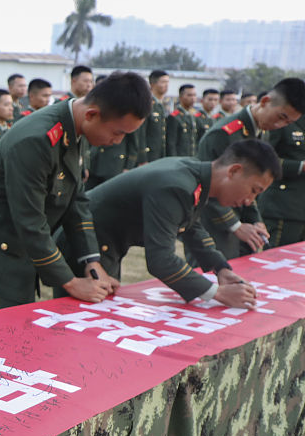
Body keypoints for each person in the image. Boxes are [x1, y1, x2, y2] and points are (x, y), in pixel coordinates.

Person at [0, 71, 150, 314]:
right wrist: (71, 282)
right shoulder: (36, 140)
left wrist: (92, 263)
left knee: (22, 329)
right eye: (118, 133)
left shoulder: (76, 130)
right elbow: (30, 220)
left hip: (24, 249)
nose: (118, 142)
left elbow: (77, 200)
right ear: (92, 114)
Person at [75, 140, 279, 309]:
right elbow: (160, 259)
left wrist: (222, 270)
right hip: (85, 243)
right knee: (80, 322)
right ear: (234, 171)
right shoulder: (177, 185)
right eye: (253, 190)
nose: (249, 200)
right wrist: (217, 293)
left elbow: (192, 227)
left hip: (107, 244)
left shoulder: (196, 177)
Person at [197, 77, 305, 257]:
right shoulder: (224, 134)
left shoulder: (259, 132)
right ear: (265, 101)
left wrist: (256, 221)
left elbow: (251, 187)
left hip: (242, 226)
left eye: (287, 123)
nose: (279, 125)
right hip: (214, 225)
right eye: (281, 117)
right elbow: (204, 184)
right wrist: (235, 225)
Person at [257, 114, 305, 247]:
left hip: (301, 207)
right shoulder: (283, 120)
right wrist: (300, 166)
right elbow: (263, 158)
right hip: (284, 206)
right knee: (276, 260)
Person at [139, 69, 170, 164]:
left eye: (168, 82)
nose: (166, 85)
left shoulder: (161, 106)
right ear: (152, 84)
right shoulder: (146, 104)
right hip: (148, 157)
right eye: (163, 82)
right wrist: (142, 158)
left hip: (159, 156)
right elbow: (141, 133)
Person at [166, 83, 204, 157]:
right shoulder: (174, 117)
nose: (193, 98)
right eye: (189, 95)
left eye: (194, 95)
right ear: (180, 97)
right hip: (180, 159)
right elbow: (171, 143)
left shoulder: (193, 116)